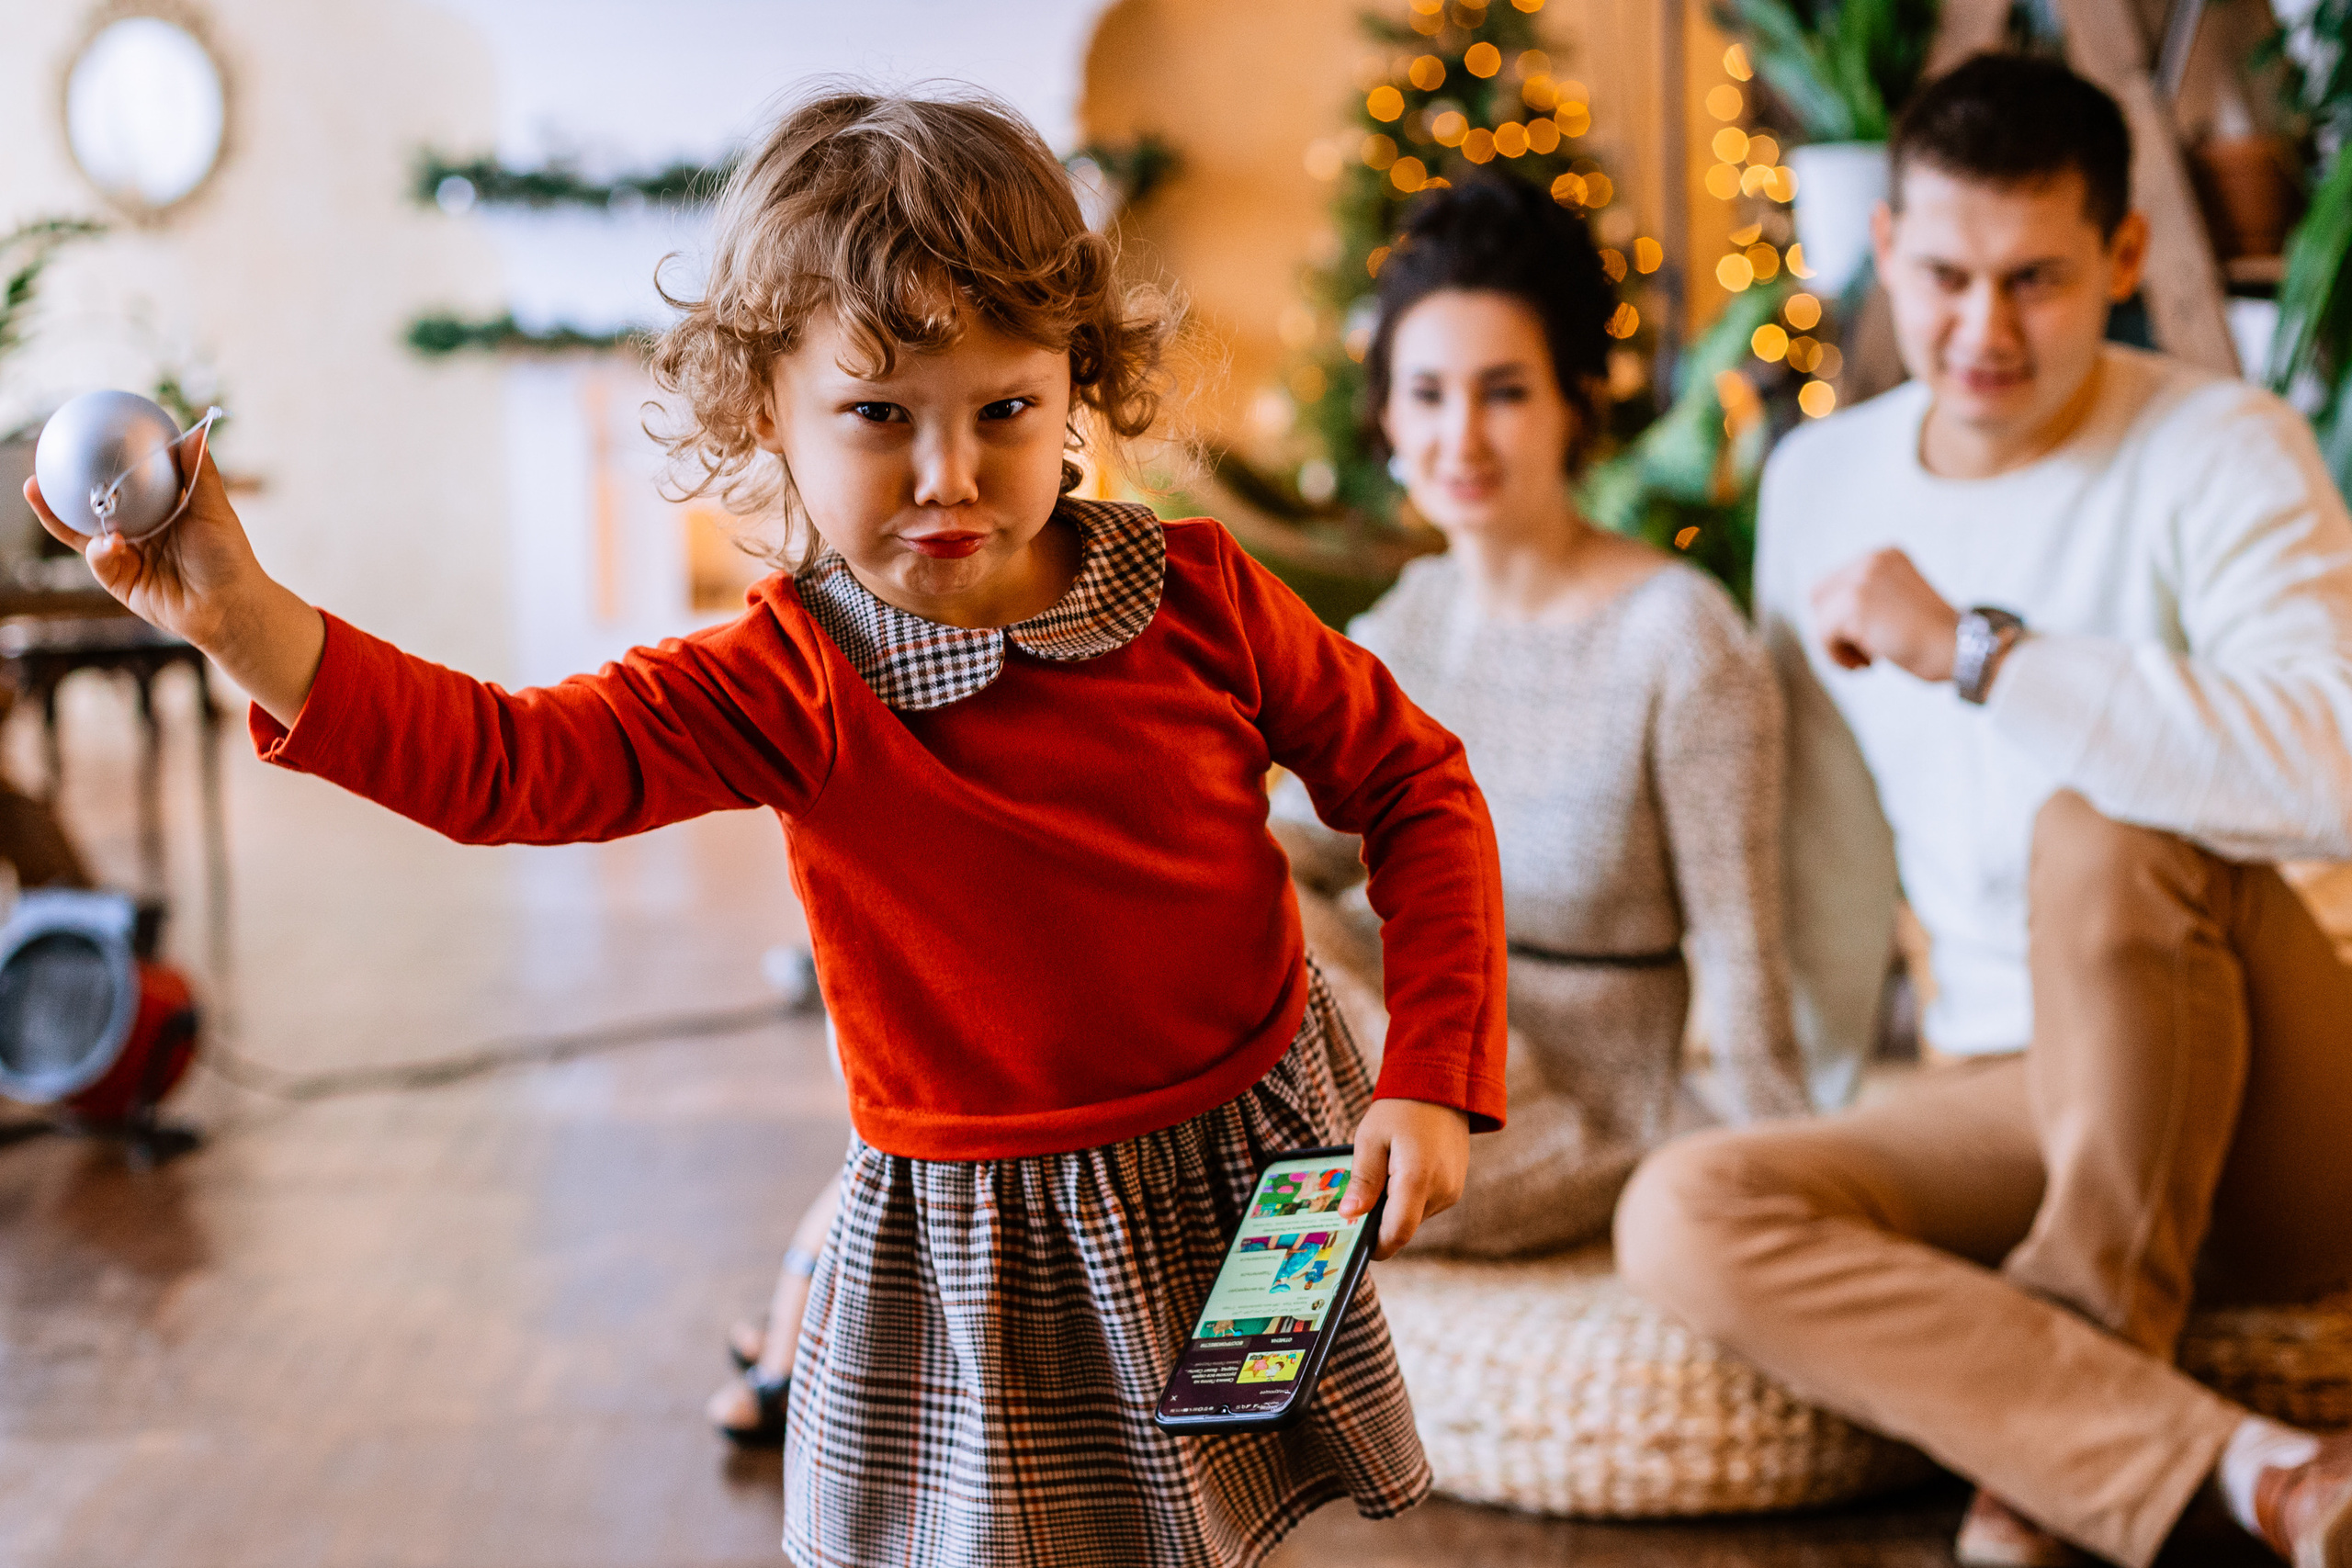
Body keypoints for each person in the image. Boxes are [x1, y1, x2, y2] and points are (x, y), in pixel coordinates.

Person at [24, 90, 1510, 1567]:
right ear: (768, 418)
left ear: (1079, 386)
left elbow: (1415, 787)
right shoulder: (787, 679)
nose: (950, 476)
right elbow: (508, 764)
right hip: (990, 1251)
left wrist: (1432, 1072)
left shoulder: (1202, 601)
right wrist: (241, 619)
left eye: (1006, 408)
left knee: (1258, 1521)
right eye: (878, 417)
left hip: (1263, 1168)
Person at [1612, 54, 2352, 1568]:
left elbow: (2334, 766)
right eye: (1945, 275)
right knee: (1685, 1211)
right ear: (1886, 248)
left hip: (2279, 1101)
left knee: (2106, 819)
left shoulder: (2224, 446)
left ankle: (2072, 1406)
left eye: (2037, 280)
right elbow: (1824, 837)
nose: (1983, 330)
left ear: (2124, 260)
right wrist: (1803, 1091)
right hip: (2007, 1086)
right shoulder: (1822, 479)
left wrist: (1982, 654)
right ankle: (2253, 1472)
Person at [1270, 176, 1808, 1258]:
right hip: (1393, 1067)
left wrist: (1793, 1176)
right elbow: (1294, 854)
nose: (1458, 436)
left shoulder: (1680, 639)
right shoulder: (1400, 627)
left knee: (1274, 1160)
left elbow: (1745, 962)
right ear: (1385, 413)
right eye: (1425, 394)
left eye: (1503, 391)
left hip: (1574, 1116)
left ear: (1573, 401)